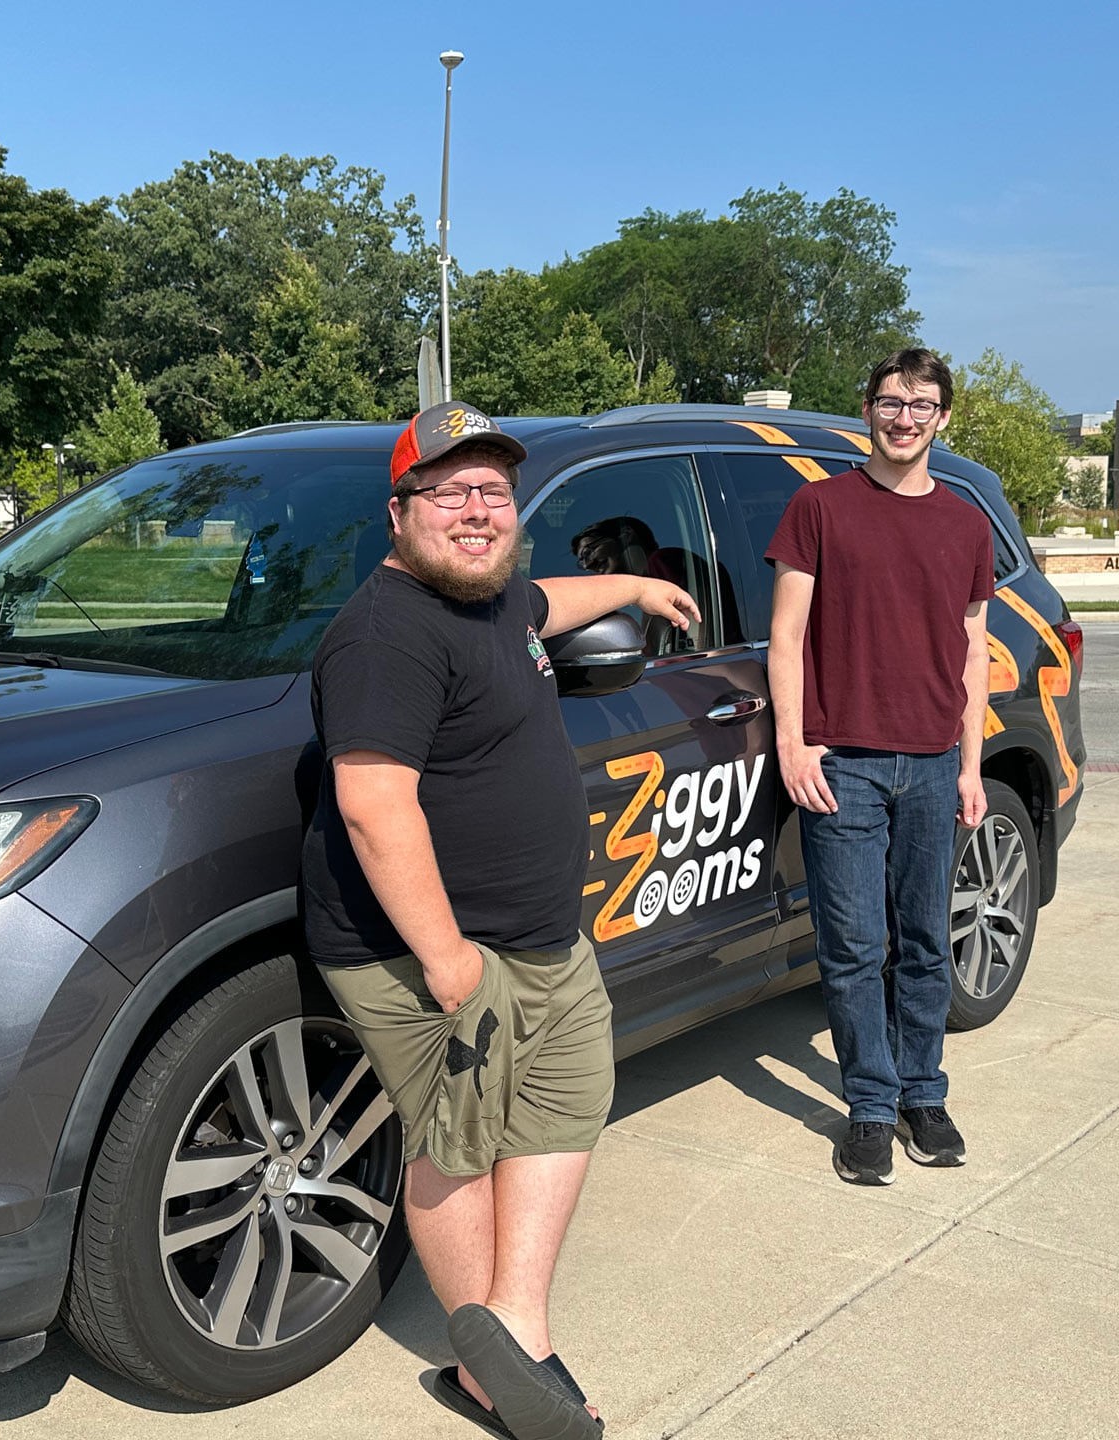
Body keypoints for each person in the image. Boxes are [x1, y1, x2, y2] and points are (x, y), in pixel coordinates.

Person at [301, 402, 699, 1439]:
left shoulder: (494, 600)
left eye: (495, 492)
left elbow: (551, 600)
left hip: (543, 937)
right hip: (436, 954)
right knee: (460, 1144)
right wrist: (447, 962)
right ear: (400, 513)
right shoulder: (385, 634)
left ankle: (514, 1330)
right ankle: (492, 1371)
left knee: (562, 1110)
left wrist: (637, 586)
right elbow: (372, 805)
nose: (477, 510)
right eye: (450, 492)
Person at [763, 349, 994, 1187]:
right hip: (844, 766)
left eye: (921, 404)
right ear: (867, 409)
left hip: (933, 763)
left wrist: (971, 766)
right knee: (855, 947)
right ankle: (869, 1104)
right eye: (892, 402)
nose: (905, 418)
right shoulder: (819, 507)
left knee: (927, 943)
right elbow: (786, 636)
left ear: (942, 417)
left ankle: (922, 1095)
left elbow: (973, 649)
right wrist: (794, 743)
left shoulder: (965, 523)